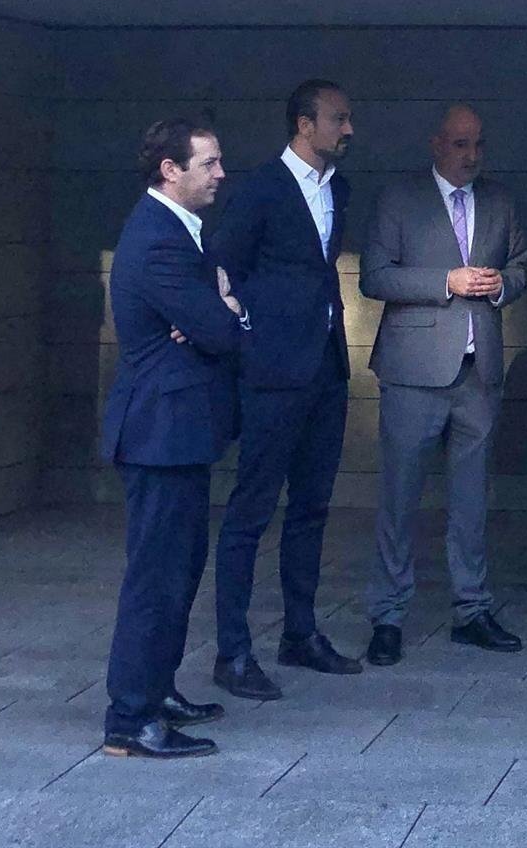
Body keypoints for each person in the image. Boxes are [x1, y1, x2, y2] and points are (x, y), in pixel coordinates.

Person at [358, 103, 527, 666]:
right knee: (400, 498)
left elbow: (521, 268)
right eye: (460, 144)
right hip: (413, 371)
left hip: (479, 372)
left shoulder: (500, 200)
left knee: (472, 499)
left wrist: (501, 285)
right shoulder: (399, 198)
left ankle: (472, 610)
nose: (471, 155)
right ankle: (387, 614)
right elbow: (375, 277)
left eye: (478, 144)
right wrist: (445, 281)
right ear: (436, 144)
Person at [99, 119, 246, 759]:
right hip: (159, 433)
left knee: (179, 572)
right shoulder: (159, 238)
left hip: (179, 432)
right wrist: (222, 311)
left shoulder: (183, 231)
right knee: (155, 579)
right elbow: (218, 330)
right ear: (170, 170)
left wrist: (214, 310)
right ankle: (131, 719)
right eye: (208, 163)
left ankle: (156, 690)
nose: (220, 174)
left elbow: (209, 319)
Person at [210, 79, 361, 699]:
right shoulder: (259, 189)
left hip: (325, 368)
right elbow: (224, 266)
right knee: (251, 508)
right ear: (304, 124)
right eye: (338, 119)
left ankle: (300, 632)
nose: (348, 130)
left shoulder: (338, 189)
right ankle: (232, 651)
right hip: (273, 373)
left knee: (312, 507)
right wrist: (249, 337)